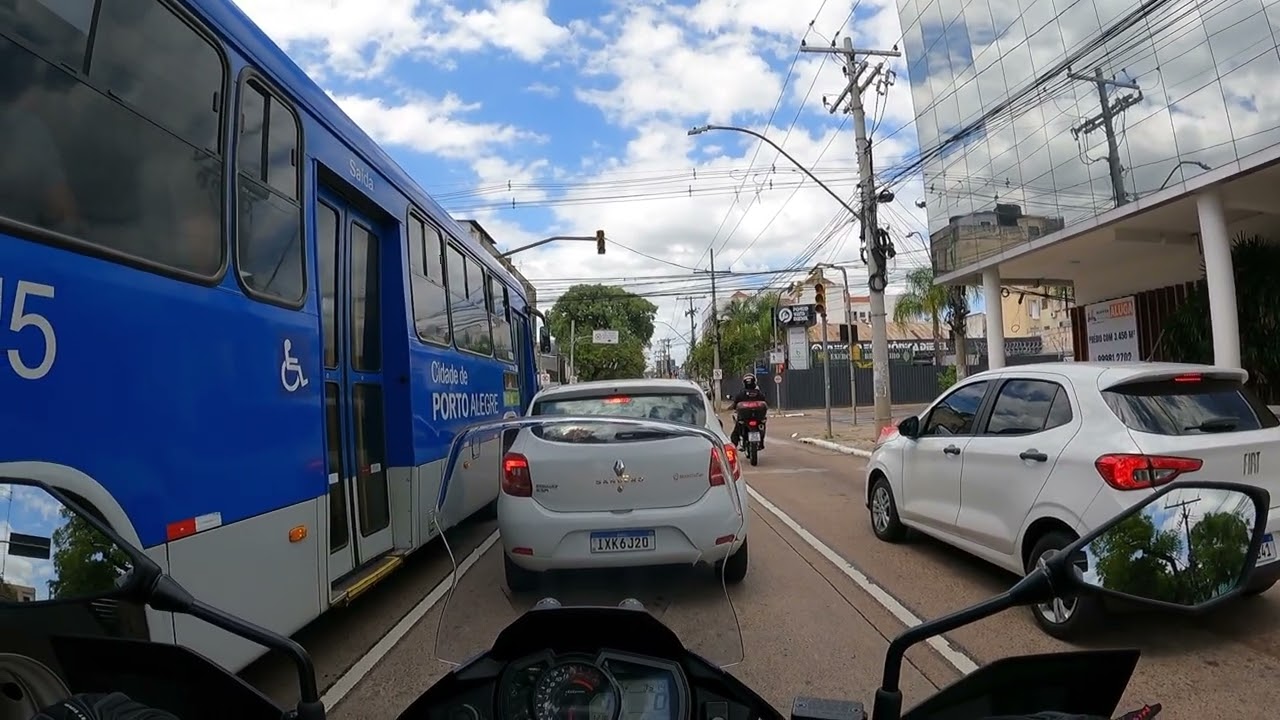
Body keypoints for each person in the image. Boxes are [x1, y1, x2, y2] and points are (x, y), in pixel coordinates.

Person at [729, 374, 768, 449]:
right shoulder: (759, 393)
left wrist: (734, 407)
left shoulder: (741, 393)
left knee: (736, 432)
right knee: (762, 425)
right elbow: (765, 402)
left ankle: (733, 447)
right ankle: (761, 443)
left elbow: (735, 403)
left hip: (745, 418)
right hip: (757, 418)